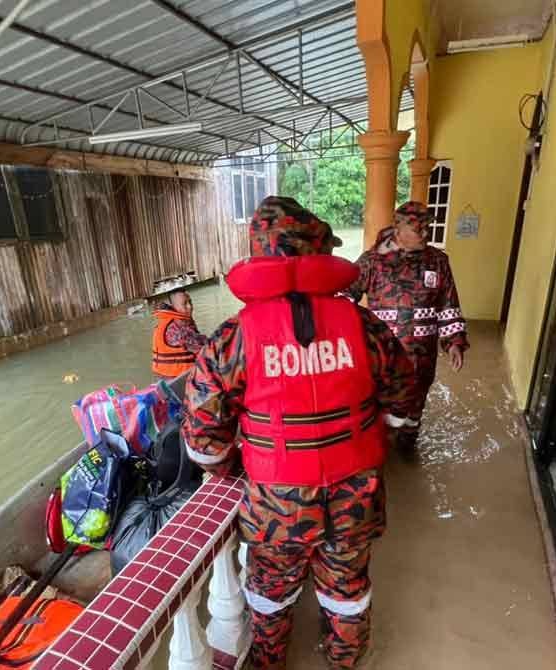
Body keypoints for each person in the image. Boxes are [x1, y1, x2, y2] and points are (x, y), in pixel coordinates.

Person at [182, 196, 414, 669]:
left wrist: (230, 465)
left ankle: (270, 662)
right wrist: (381, 433)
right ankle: (346, 660)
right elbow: (404, 395)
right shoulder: (364, 324)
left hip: (275, 501)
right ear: (318, 250)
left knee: (271, 590)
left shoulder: (233, 337)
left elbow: (203, 436)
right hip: (356, 491)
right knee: (347, 587)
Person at [348, 201, 469, 460]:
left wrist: (454, 341)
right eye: (419, 230)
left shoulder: (438, 261)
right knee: (379, 403)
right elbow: (344, 300)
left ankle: (408, 446)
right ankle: (381, 451)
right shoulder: (372, 262)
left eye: (428, 228)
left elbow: (448, 304)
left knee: (416, 402)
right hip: (384, 356)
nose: (426, 234)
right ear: (398, 229)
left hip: (423, 355)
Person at [151, 289, 206, 378]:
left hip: (163, 377)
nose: (190, 306)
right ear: (173, 307)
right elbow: (207, 349)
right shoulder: (178, 329)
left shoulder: (165, 322)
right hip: (178, 380)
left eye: (190, 302)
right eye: (184, 304)